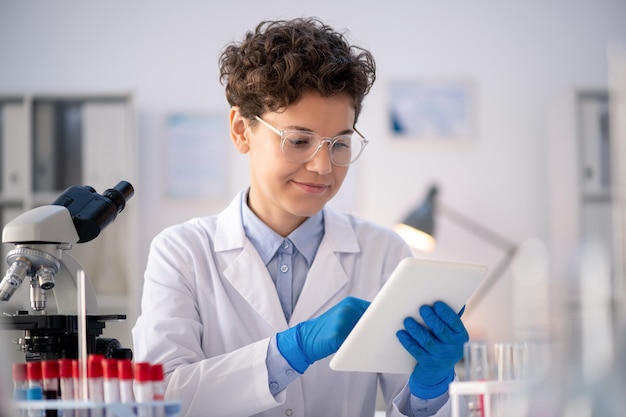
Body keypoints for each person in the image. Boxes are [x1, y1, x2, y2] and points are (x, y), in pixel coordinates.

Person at [132, 17, 469, 417]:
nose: (323, 166)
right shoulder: (182, 252)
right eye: (299, 141)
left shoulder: (383, 253)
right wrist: (291, 351)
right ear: (242, 130)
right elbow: (159, 399)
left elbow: (413, 407)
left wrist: (431, 390)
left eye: (340, 144)